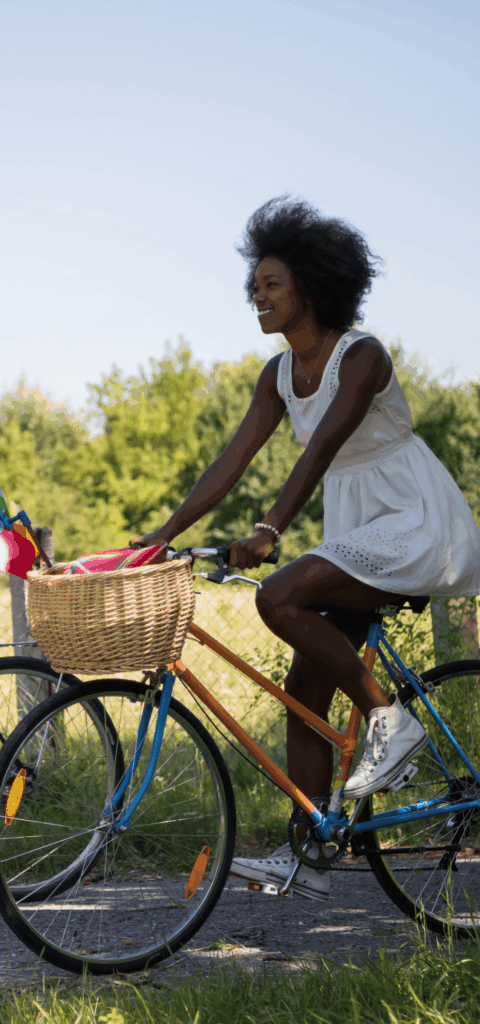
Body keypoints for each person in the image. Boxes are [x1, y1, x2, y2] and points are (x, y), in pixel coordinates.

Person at [131, 196, 480, 900]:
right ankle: (311, 848)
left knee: (278, 595)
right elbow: (231, 460)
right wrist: (164, 534)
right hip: (355, 529)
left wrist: (269, 530)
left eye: (272, 284)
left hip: (412, 518)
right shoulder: (277, 374)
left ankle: (389, 722)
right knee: (304, 690)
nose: (257, 296)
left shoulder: (362, 355)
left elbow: (320, 448)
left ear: (313, 289)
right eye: (254, 285)